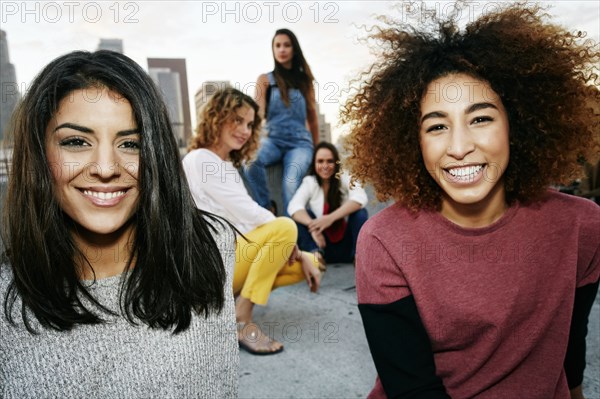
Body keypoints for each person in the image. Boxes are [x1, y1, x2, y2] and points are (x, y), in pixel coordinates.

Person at [341, 3, 600, 399]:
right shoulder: (384, 240)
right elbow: (412, 389)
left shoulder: (582, 226)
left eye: (480, 118)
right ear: (415, 141)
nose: (459, 147)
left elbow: (570, 347)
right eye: (437, 126)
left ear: (517, 123)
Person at [0, 50, 238, 398]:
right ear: (40, 154)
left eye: (130, 143)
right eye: (77, 142)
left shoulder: (212, 245)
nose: (106, 167)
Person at [182, 87, 323, 356]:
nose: (245, 130)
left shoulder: (227, 167)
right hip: (208, 269)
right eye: (237, 120)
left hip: (231, 259)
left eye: (249, 124)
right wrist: (287, 238)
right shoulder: (201, 159)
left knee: (312, 263)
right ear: (217, 118)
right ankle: (242, 318)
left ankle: (234, 305)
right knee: (285, 226)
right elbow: (249, 213)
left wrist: (301, 253)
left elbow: (245, 224)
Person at [244, 28, 319, 216]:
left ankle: (292, 235)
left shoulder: (305, 81)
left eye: (286, 45)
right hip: (273, 140)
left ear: (294, 49)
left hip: (299, 144)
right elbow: (257, 113)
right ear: (273, 50)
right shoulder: (265, 80)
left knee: (290, 182)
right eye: (277, 45)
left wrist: (317, 150)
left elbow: (312, 119)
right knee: (250, 161)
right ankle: (267, 210)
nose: (282, 49)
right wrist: (249, 138)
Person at [288, 141, 368, 265]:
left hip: (347, 245)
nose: (325, 166)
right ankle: (315, 256)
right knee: (301, 217)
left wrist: (330, 218)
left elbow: (360, 198)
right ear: (314, 163)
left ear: (336, 163)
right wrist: (313, 227)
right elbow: (294, 206)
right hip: (323, 244)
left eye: (329, 161)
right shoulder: (310, 182)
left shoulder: (345, 176)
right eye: (320, 161)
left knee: (360, 213)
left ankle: (359, 257)